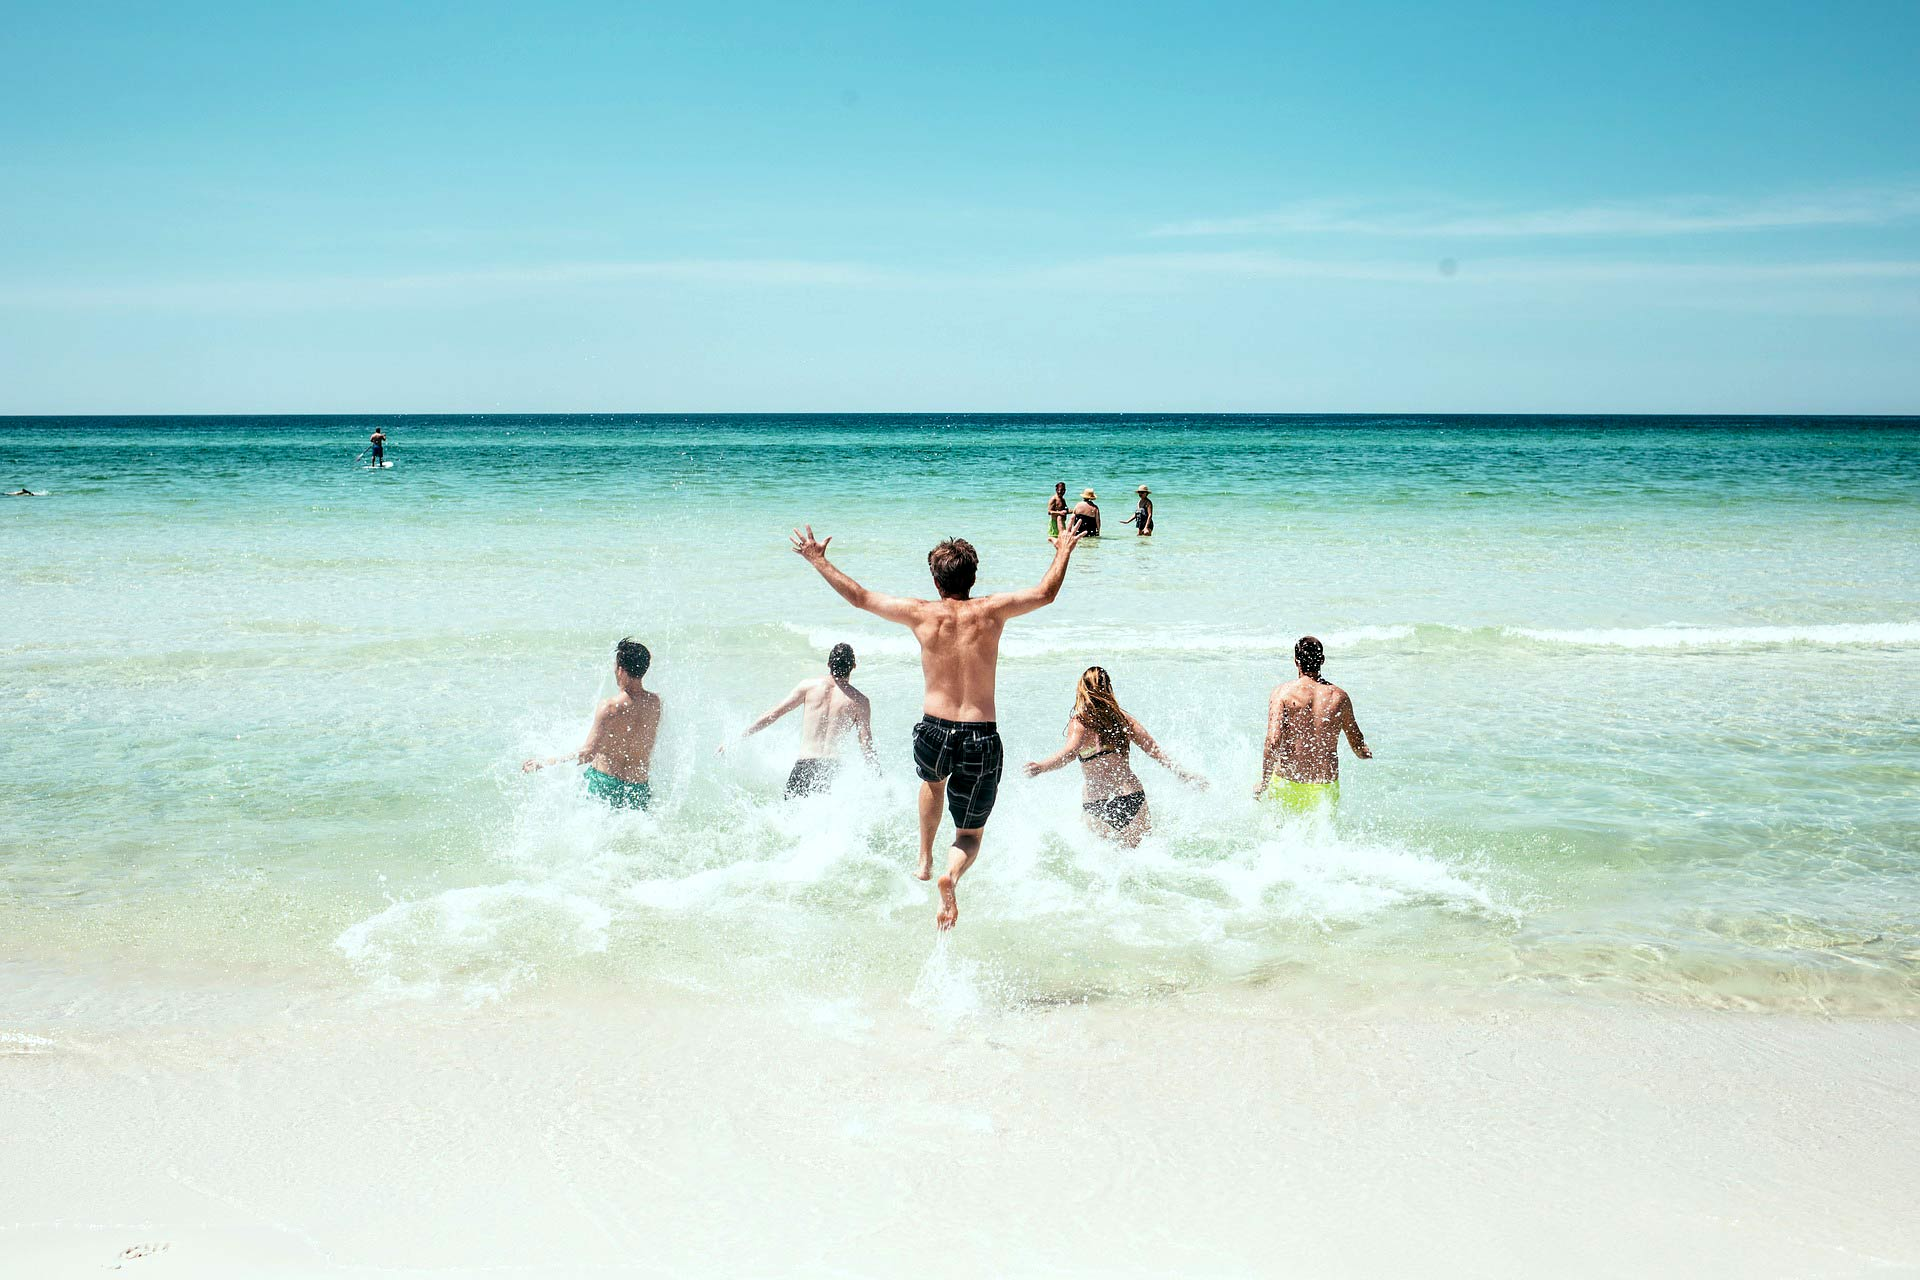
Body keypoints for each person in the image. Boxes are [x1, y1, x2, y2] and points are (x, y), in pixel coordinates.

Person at [791, 522, 1084, 929]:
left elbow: (859, 597)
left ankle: (925, 856)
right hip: (981, 734)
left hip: (933, 730)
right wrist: (1064, 548)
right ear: (974, 577)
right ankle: (952, 874)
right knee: (969, 835)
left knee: (932, 784)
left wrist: (818, 559)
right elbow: (1045, 593)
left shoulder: (921, 613)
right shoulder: (992, 610)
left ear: (935, 579)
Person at [1023, 666, 1204, 846]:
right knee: (1143, 855)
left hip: (1098, 803)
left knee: (1102, 865)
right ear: (1108, 688)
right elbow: (1154, 749)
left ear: (1082, 690)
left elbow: (1069, 753)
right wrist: (1183, 774)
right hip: (1132, 797)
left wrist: (1041, 767)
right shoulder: (1123, 718)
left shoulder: (1080, 722)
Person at [523, 638, 662, 810]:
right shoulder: (655, 703)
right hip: (638, 788)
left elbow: (587, 754)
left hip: (605, 783)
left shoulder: (610, 707)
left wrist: (546, 762)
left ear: (621, 670)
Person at [727, 642, 879, 797]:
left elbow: (773, 714)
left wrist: (736, 738)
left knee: (788, 818)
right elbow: (865, 744)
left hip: (804, 766)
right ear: (854, 666)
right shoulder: (860, 702)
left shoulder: (808, 687)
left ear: (828, 664)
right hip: (831, 770)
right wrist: (878, 778)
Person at [1256, 636, 1371, 812]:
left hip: (1288, 782)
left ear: (1296, 662)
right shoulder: (1338, 697)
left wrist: (1263, 782)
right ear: (1322, 660)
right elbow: (1357, 742)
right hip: (1324, 787)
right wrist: (1363, 752)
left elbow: (1273, 740)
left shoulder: (1282, 694)